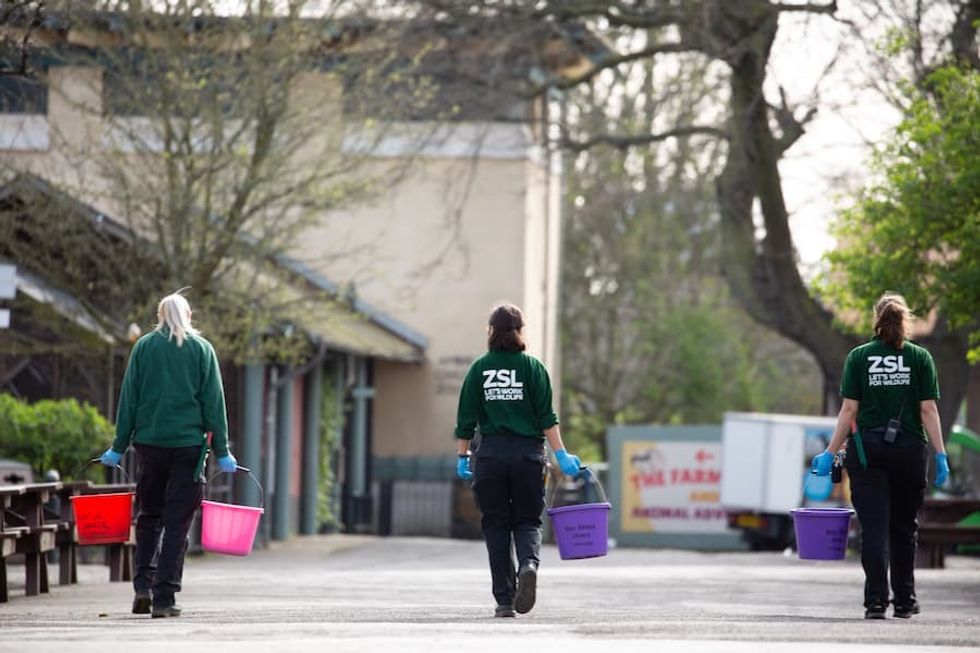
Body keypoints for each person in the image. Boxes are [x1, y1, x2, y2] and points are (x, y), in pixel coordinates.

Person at [811, 293, 949, 620]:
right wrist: (941, 454)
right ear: (906, 320)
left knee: (873, 529)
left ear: (876, 318)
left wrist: (830, 453)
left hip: (867, 452)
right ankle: (904, 600)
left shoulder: (859, 357)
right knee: (904, 527)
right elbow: (928, 409)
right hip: (909, 452)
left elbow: (849, 410)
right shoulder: (920, 357)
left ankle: (875, 602)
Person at [99, 292, 238, 618]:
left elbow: (129, 399)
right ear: (189, 315)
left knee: (149, 516)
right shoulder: (202, 350)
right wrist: (222, 451)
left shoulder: (144, 347)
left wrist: (118, 446)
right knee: (177, 524)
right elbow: (214, 404)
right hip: (189, 448)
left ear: (160, 315)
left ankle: (142, 588)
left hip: (150, 445)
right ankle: (164, 598)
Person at [454, 303, 581, 618]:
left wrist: (462, 455)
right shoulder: (534, 368)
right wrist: (561, 454)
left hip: (491, 455)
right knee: (527, 520)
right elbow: (547, 418)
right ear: (520, 331)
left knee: (496, 525)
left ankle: (505, 600)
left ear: (490, 331)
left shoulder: (479, 369)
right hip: (528, 455)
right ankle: (528, 564)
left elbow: (466, 419)